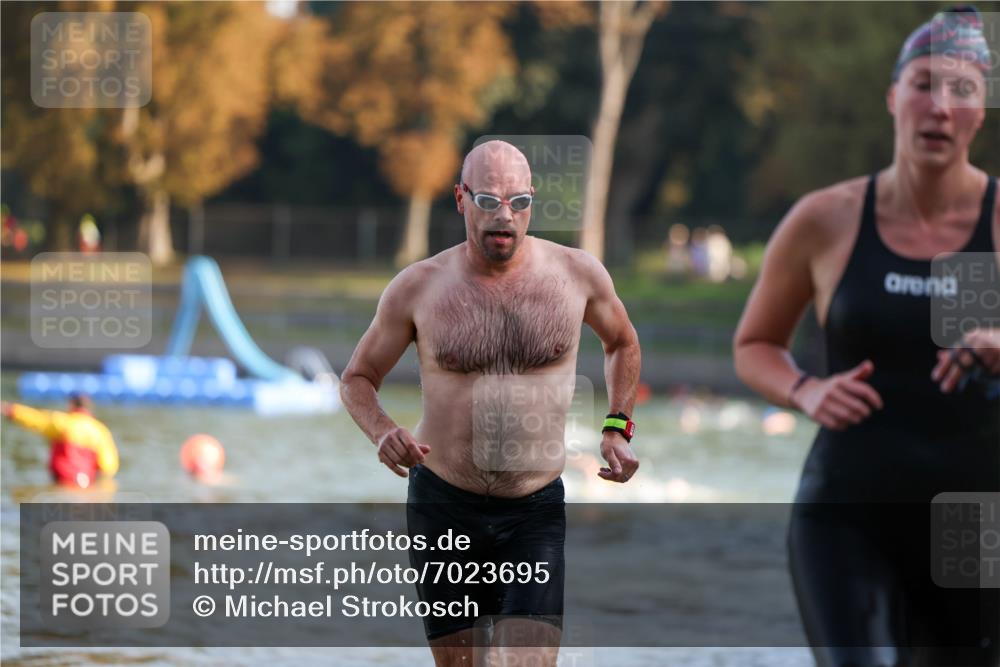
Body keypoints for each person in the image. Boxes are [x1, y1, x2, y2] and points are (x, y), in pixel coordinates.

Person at [734, 6, 998, 666]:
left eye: (962, 88)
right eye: (922, 83)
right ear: (892, 97)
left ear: (982, 109)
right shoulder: (826, 219)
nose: (939, 106)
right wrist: (804, 389)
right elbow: (754, 343)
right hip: (848, 514)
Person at [339, 140, 641, 667]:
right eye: (488, 201)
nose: (505, 216)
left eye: (518, 203)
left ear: (532, 202)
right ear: (460, 199)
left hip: (534, 509)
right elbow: (357, 379)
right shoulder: (418, 288)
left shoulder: (577, 275)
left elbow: (622, 343)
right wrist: (383, 431)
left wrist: (617, 425)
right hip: (442, 505)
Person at [2, 394, 119, 488]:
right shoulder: (100, 431)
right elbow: (108, 467)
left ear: (71, 405)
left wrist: (11, 410)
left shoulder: (63, 423)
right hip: (85, 485)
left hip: (61, 483)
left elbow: (35, 419)